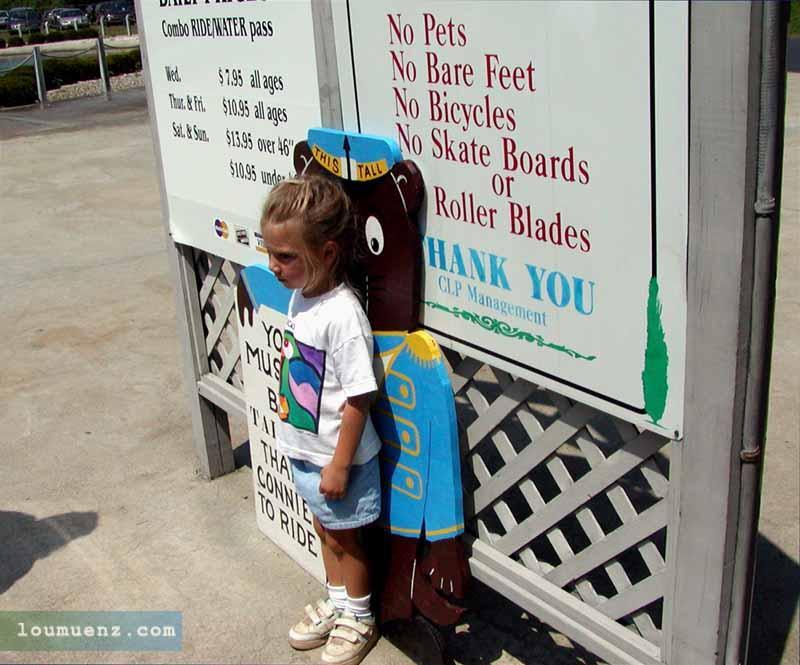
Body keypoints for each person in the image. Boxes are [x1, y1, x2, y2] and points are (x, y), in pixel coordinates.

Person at [261, 175, 381, 665]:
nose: (274, 266)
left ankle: (360, 615)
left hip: (340, 459)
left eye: (286, 256)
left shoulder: (343, 314)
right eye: (270, 252)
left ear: (328, 253)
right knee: (323, 528)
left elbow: (359, 397)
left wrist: (339, 464)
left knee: (345, 538)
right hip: (309, 452)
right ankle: (337, 604)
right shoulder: (302, 296)